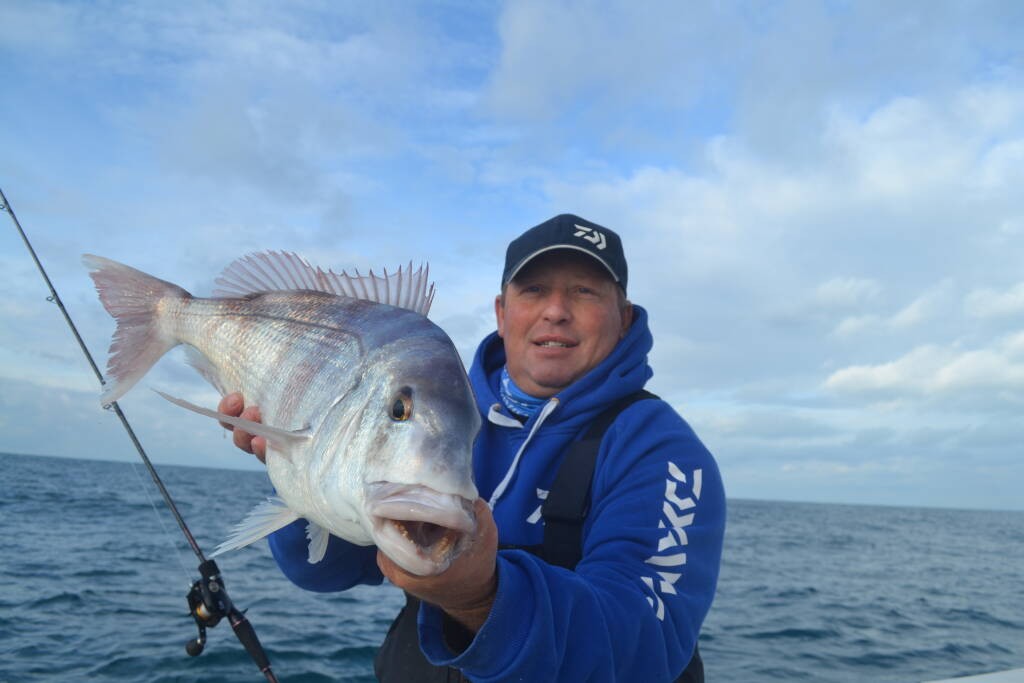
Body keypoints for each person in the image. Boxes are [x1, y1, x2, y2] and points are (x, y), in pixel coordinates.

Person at [219, 214, 726, 682]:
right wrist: (297, 465)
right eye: (534, 290)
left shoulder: (662, 451)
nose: (556, 311)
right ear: (502, 313)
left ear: (623, 314)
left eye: (584, 291)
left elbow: (642, 648)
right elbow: (326, 571)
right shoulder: (443, 409)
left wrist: (480, 595)